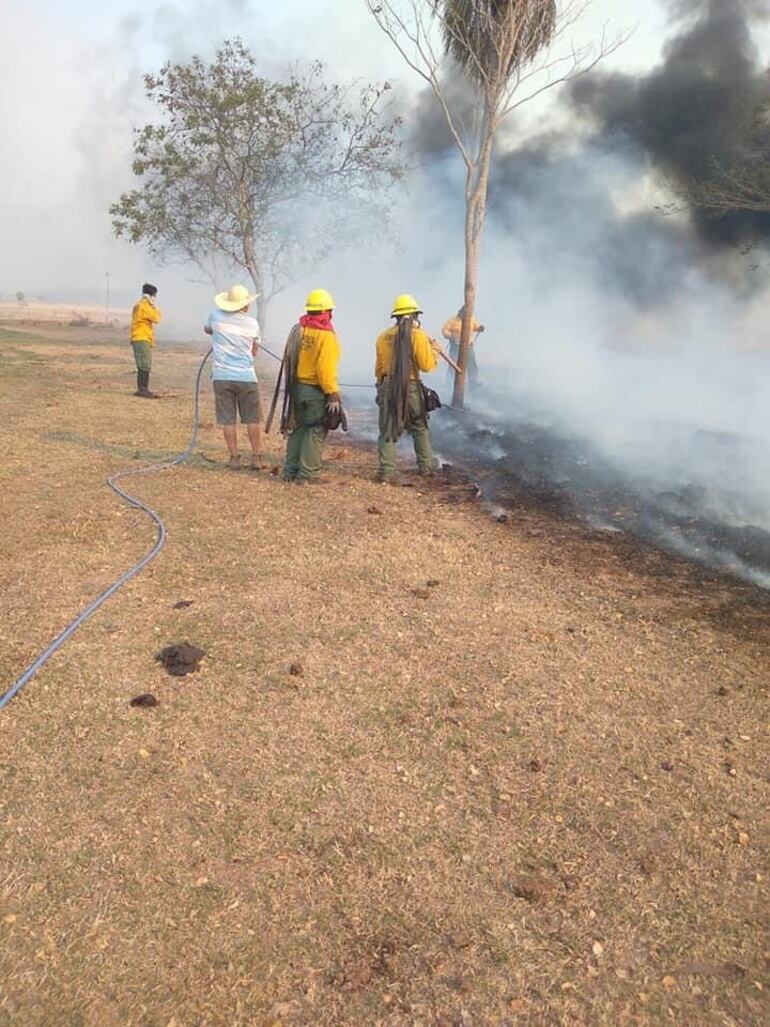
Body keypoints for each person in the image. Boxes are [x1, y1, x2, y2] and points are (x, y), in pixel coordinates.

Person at [375, 293, 439, 484]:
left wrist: (381, 386)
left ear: (396, 317)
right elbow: (427, 365)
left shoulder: (383, 336)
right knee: (419, 425)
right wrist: (434, 350)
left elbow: (379, 368)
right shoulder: (418, 335)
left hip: (387, 385)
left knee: (388, 427)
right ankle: (426, 466)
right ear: (414, 316)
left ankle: (386, 471)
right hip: (410, 387)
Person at [281, 288, 342, 484]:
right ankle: (308, 474)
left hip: (297, 388)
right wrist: (332, 393)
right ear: (327, 312)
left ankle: (290, 471)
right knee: (315, 429)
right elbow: (325, 369)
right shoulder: (326, 336)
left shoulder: (300, 330)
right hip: (315, 390)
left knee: (299, 427)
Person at [204, 283, 263, 471]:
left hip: (222, 377)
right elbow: (254, 351)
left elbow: (208, 330)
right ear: (245, 306)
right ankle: (256, 458)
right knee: (252, 419)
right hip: (246, 377)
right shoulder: (252, 324)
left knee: (228, 420)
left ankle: (234, 457)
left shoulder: (215, 316)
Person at [130, 283, 162, 398]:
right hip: (141, 337)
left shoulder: (138, 304)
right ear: (152, 295)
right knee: (145, 364)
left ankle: (143, 388)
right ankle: (143, 389)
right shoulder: (144, 305)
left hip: (139, 337)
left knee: (143, 364)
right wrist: (153, 306)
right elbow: (157, 318)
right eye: (155, 296)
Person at [441, 305, 485, 388]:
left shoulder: (471, 319)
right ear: (460, 312)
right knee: (453, 366)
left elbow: (476, 326)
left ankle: (473, 384)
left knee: (472, 365)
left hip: (468, 347)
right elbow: (444, 330)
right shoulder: (453, 320)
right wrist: (451, 335)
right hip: (455, 347)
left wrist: (480, 328)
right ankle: (449, 384)